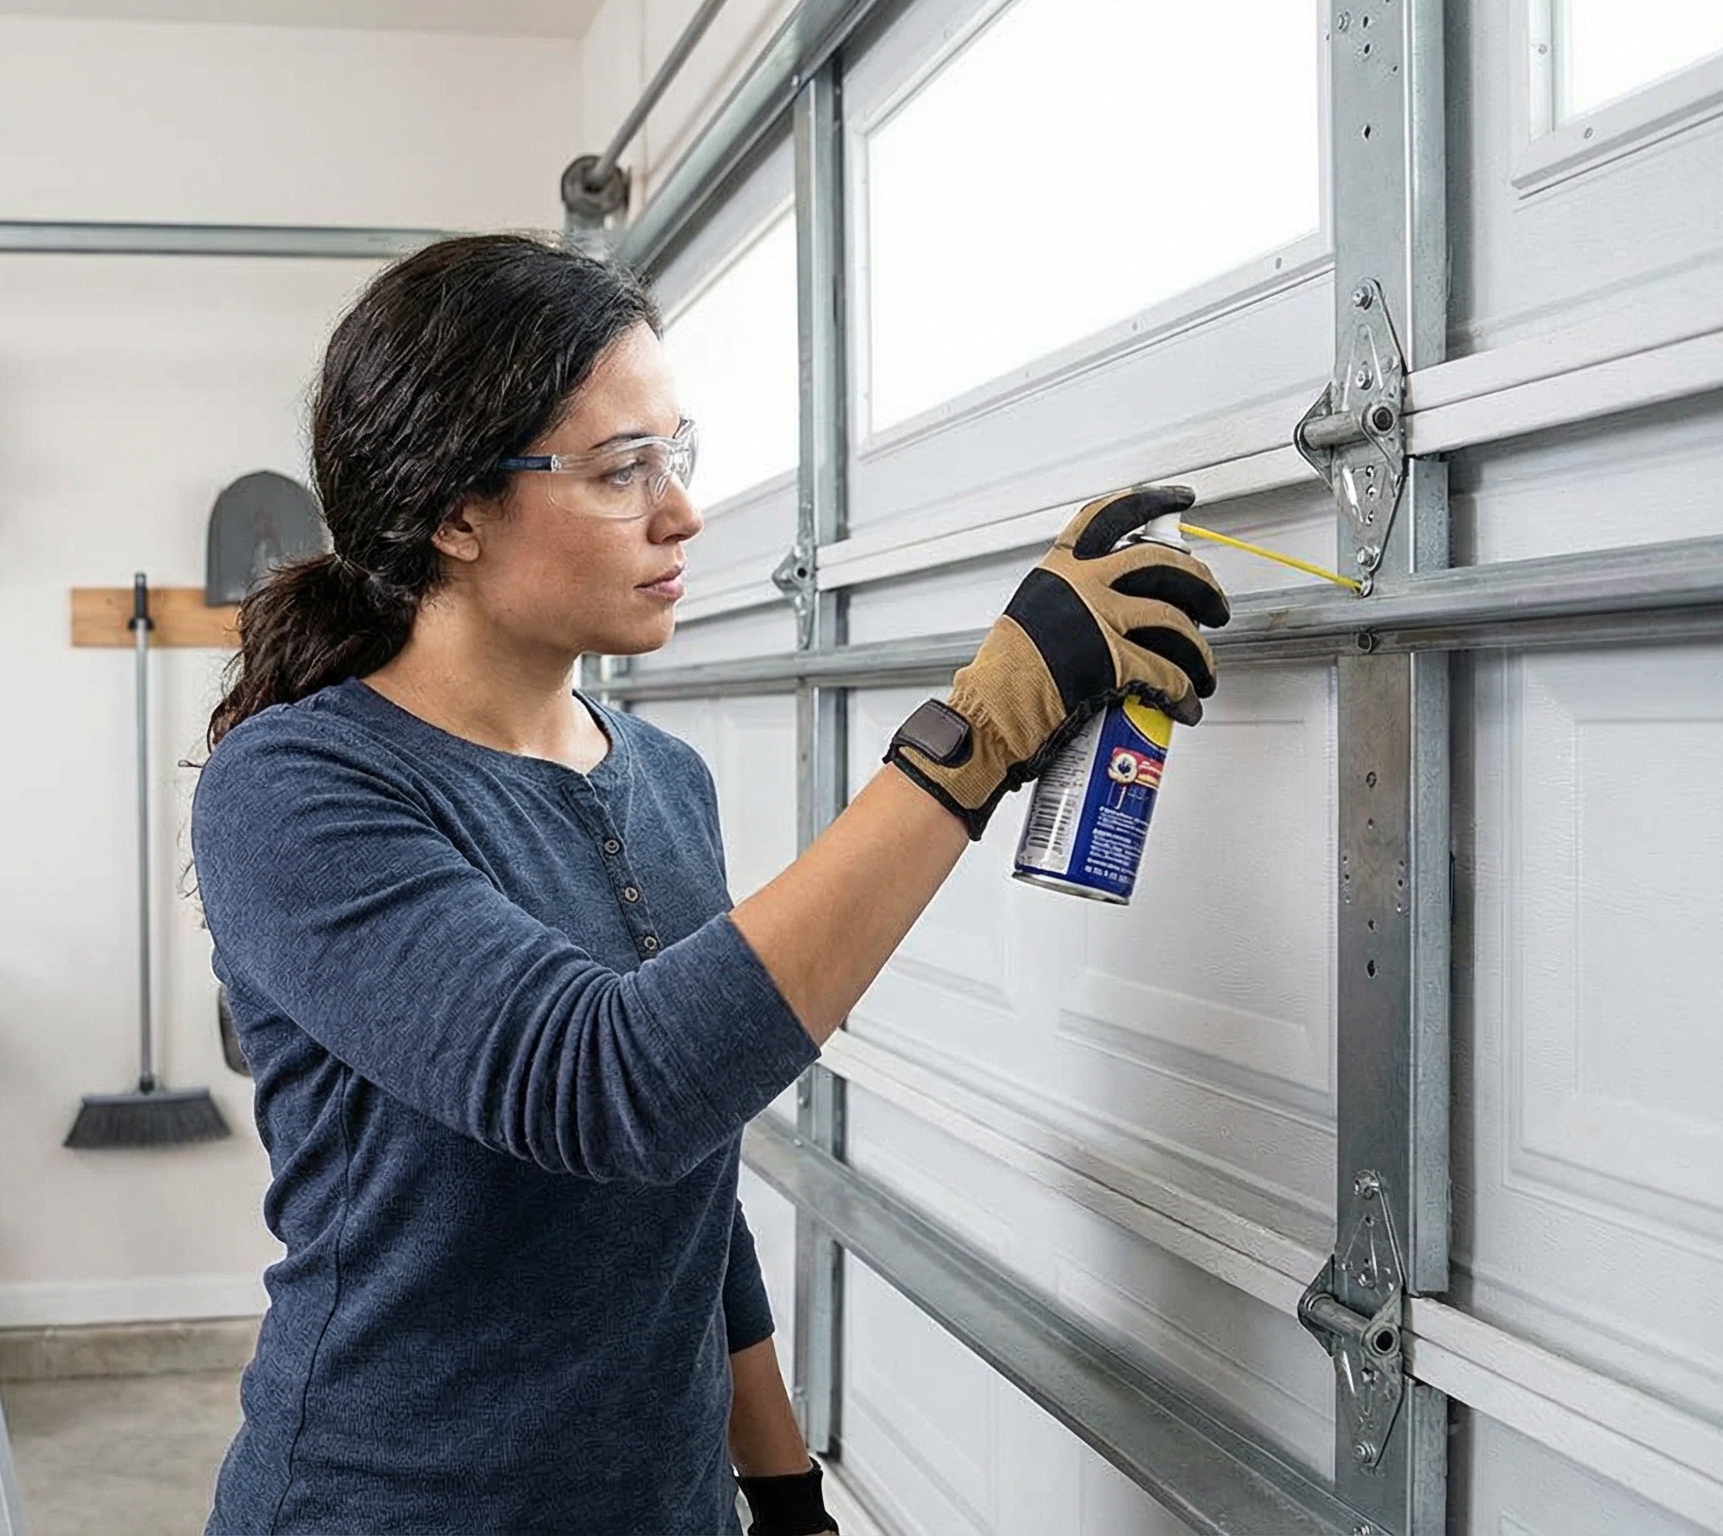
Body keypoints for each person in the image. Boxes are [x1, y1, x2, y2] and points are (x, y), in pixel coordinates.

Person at [190, 233, 1229, 1535]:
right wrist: (975, 737)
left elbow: (685, 1196)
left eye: (677, 455)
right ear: (456, 513)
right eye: (624, 471)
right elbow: (608, 1088)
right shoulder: (297, 791)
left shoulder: (666, 777)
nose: (680, 512)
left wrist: (783, 1490)